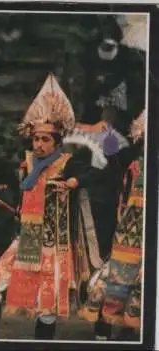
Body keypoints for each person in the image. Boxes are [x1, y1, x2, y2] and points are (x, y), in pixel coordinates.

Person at [0, 73, 102, 340]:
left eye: (46, 140)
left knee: (47, 309)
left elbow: (97, 174)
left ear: (58, 142)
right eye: (36, 139)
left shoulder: (68, 163)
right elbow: (13, 191)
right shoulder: (27, 164)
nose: (39, 144)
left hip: (54, 247)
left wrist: (73, 181)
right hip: (26, 242)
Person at [79, 111, 145, 341]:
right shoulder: (130, 160)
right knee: (113, 277)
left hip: (140, 231)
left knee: (138, 283)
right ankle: (105, 330)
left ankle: (130, 331)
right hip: (119, 226)